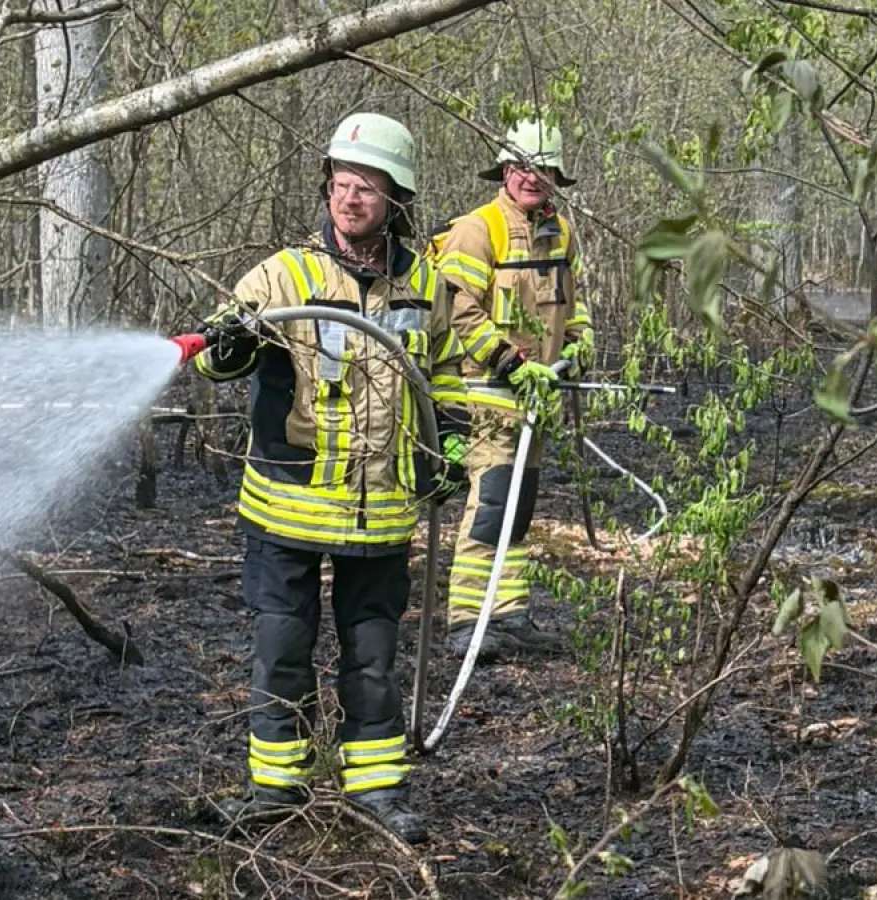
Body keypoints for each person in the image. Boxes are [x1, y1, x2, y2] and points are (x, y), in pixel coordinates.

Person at [168, 112, 469, 845]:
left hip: (383, 514)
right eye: (341, 183)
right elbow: (213, 355)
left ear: (397, 198)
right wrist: (232, 343)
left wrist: (447, 453)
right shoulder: (284, 275)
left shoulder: (427, 287)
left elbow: (448, 381)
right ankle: (275, 790)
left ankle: (376, 792)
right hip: (288, 509)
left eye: (366, 186)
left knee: (373, 661)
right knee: (281, 651)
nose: (351, 197)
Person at [426, 117, 593, 660]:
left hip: (537, 395)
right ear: (504, 169)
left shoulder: (560, 232)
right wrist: (508, 361)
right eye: (521, 166)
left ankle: (509, 613)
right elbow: (461, 312)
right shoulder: (478, 229)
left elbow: (574, 301)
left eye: (541, 169)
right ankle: (466, 620)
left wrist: (579, 343)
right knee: (492, 502)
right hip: (487, 390)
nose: (530, 178)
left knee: (519, 505)